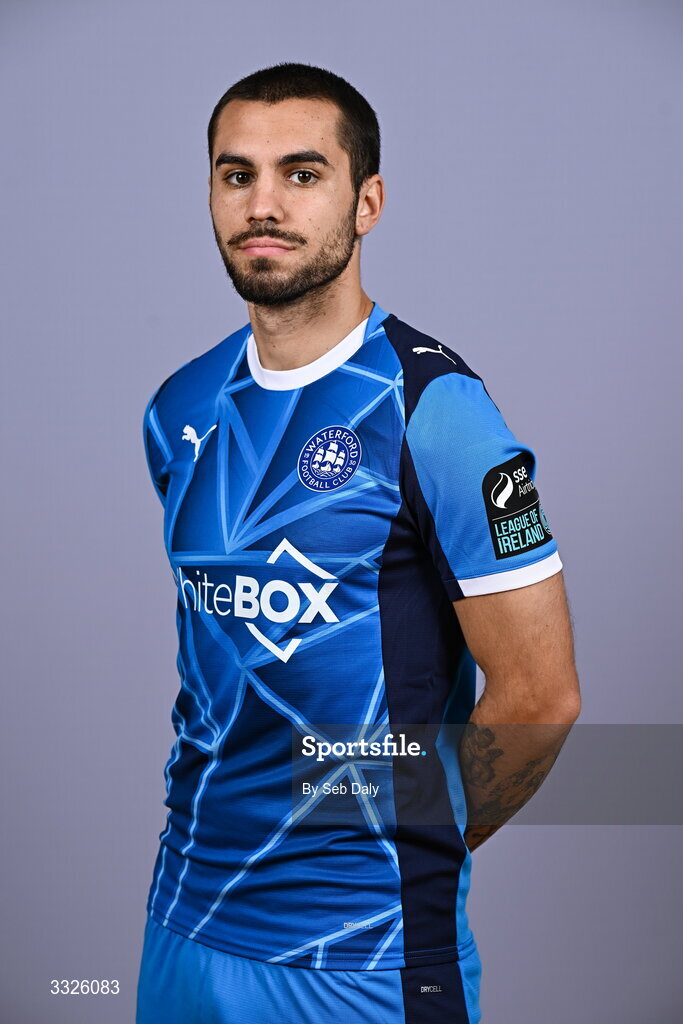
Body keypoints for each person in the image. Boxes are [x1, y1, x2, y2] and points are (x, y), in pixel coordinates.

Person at [136, 62, 581, 1024]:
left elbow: (541, 696)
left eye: (302, 174)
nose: (263, 204)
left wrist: (411, 840)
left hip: (358, 956)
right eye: (234, 174)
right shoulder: (179, 407)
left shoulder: (437, 412)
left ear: (366, 200)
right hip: (181, 924)